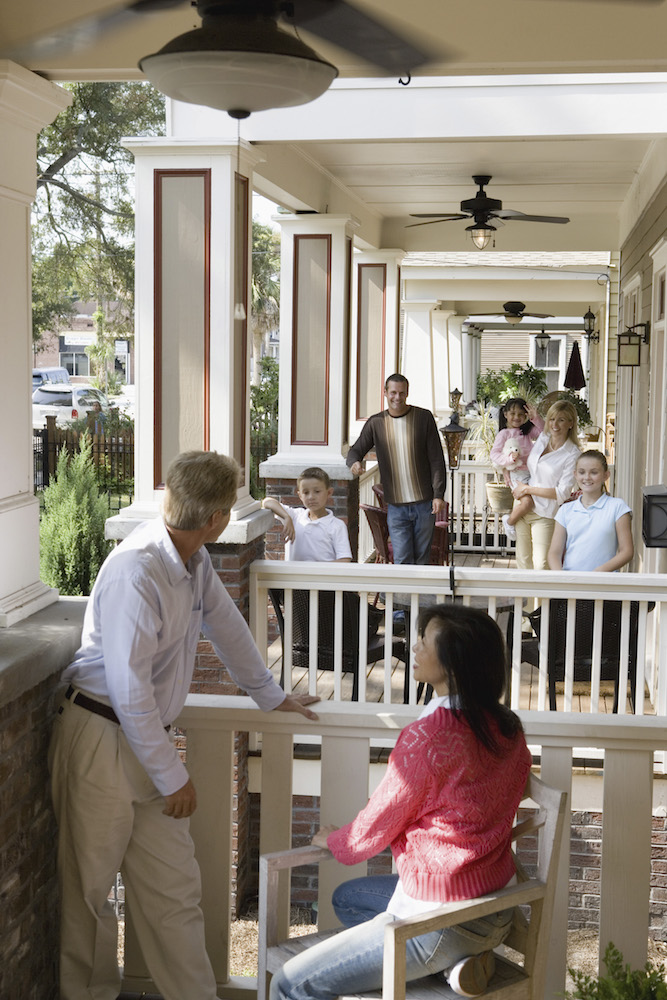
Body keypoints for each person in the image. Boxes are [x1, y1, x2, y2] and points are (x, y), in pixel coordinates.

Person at [49, 450, 319, 1000]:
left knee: (175, 889)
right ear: (218, 518)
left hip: (143, 741)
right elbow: (128, 690)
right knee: (89, 894)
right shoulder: (138, 569)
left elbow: (229, 629)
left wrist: (270, 694)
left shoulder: (192, 563)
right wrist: (173, 776)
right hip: (100, 740)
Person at [269, 605, 532, 1000]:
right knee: (348, 900)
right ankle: (458, 967)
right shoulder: (507, 728)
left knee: (289, 984)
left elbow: (369, 835)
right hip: (496, 909)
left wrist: (333, 840)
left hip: (441, 920)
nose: (414, 647)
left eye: (424, 641)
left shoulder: (427, 739)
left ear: (453, 664)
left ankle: (447, 957)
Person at [346, 374, 446, 565]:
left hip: (424, 504)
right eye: (393, 392)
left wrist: (438, 494)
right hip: (396, 507)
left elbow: (437, 460)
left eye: (402, 393)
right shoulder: (376, 423)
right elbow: (355, 450)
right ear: (385, 393)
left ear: (407, 393)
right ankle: (402, 596)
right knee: (402, 560)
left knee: (422, 560)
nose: (397, 397)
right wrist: (354, 462)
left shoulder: (423, 418)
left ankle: (419, 596)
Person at [512, 399, 580, 573]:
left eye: (561, 420)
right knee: (523, 562)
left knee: (542, 565)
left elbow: (562, 493)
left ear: (571, 423)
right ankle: (526, 601)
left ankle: (542, 602)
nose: (555, 424)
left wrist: (527, 489)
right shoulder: (543, 438)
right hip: (523, 505)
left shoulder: (572, 454)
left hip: (545, 513)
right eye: (552, 419)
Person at [547, 449, 633, 572]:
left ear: (606, 475)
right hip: (572, 582)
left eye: (594, 472)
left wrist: (598, 573)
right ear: (575, 474)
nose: (587, 477)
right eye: (582, 472)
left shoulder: (618, 507)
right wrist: (562, 578)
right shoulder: (565, 510)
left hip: (604, 583)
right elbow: (554, 552)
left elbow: (627, 551)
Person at [262, 466, 352, 562]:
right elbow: (267, 502)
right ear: (300, 495)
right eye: (306, 492)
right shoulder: (295, 516)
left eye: (317, 492)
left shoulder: (337, 526)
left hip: (322, 576)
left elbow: (344, 560)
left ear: (329, 492)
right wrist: (286, 517)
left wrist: (316, 571)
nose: (311, 497)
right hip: (292, 576)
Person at [488, 397, 544, 540]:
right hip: (517, 473)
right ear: (505, 414)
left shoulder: (526, 431)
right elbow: (494, 454)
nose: (516, 417)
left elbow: (545, 434)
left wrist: (535, 418)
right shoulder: (504, 434)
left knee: (536, 500)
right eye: (512, 413)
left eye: (521, 414)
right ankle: (509, 521)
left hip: (532, 472)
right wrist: (508, 460)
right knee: (527, 502)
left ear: (525, 416)